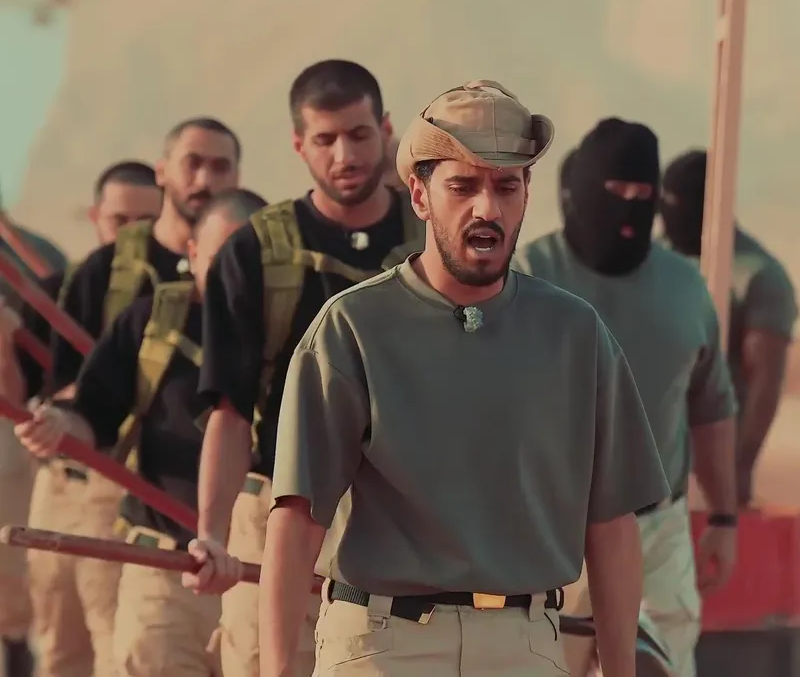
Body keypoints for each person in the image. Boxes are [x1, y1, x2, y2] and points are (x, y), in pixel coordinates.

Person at [256, 79, 669, 677]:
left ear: (526, 194)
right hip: (381, 646)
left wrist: (621, 671)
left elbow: (611, 525)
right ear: (420, 196)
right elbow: (296, 519)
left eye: (506, 186)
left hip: (525, 646)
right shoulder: (353, 328)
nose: (487, 209)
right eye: (463, 186)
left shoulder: (576, 335)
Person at [189, 59, 421, 677]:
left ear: (385, 130)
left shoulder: (433, 241)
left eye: (359, 134)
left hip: (402, 520)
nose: (344, 155)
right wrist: (211, 534)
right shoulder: (254, 252)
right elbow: (229, 410)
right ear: (299, 145)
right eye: (325, 139)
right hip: (277, 508)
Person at [514, 119, 739, 677]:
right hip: (545, 531)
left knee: (655, 667)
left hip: (655, 532)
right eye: (615, 192)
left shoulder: (685, 290)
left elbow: (711, 408)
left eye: (644, 196)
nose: (629, 209)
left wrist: (724, 516)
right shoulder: (524, 278)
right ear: (582, 189)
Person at [12, 189, 266, 677]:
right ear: (193, 254)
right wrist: (60, 427)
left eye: (247, 259)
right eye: (220, 258)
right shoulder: (152, 322)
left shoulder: (300, 332)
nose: (233, 275)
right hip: (166, 574)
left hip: (261, 575)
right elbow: (92, 411)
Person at [659, 149, 799, 506]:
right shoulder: (652, 259)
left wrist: (739, 467)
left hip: (711, 464)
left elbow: (765, 377)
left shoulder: (756, 276)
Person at [0, 220, 68, 677]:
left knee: (13, 574)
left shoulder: (31, 253)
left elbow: (42, 372)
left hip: (11, 429)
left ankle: (17, 650)